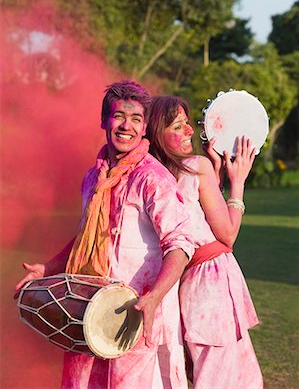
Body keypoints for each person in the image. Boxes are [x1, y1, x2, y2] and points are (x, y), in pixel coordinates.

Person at [15, 81, 195, 389]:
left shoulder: (153, 178)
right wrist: (49, 267)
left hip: (137, 315)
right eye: (119, 116)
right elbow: (89, 235)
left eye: (136, 118)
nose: (127, 126)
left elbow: (180, 245)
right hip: (90, 311)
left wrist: (153, 298)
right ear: (104, 121)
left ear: (144, 127)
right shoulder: (93, 178)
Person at [146, 95, 263, 389]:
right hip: (213, 283)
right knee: (229, 377)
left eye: (187, 123)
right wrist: (238, 182)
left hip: (189, 285)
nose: (188, 131)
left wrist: (216, 177)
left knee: (212, 372)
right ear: (158, 135)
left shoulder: (156, 176)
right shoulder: (196, 165)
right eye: (178, 126)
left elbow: (196, 221)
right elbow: (227, 234)